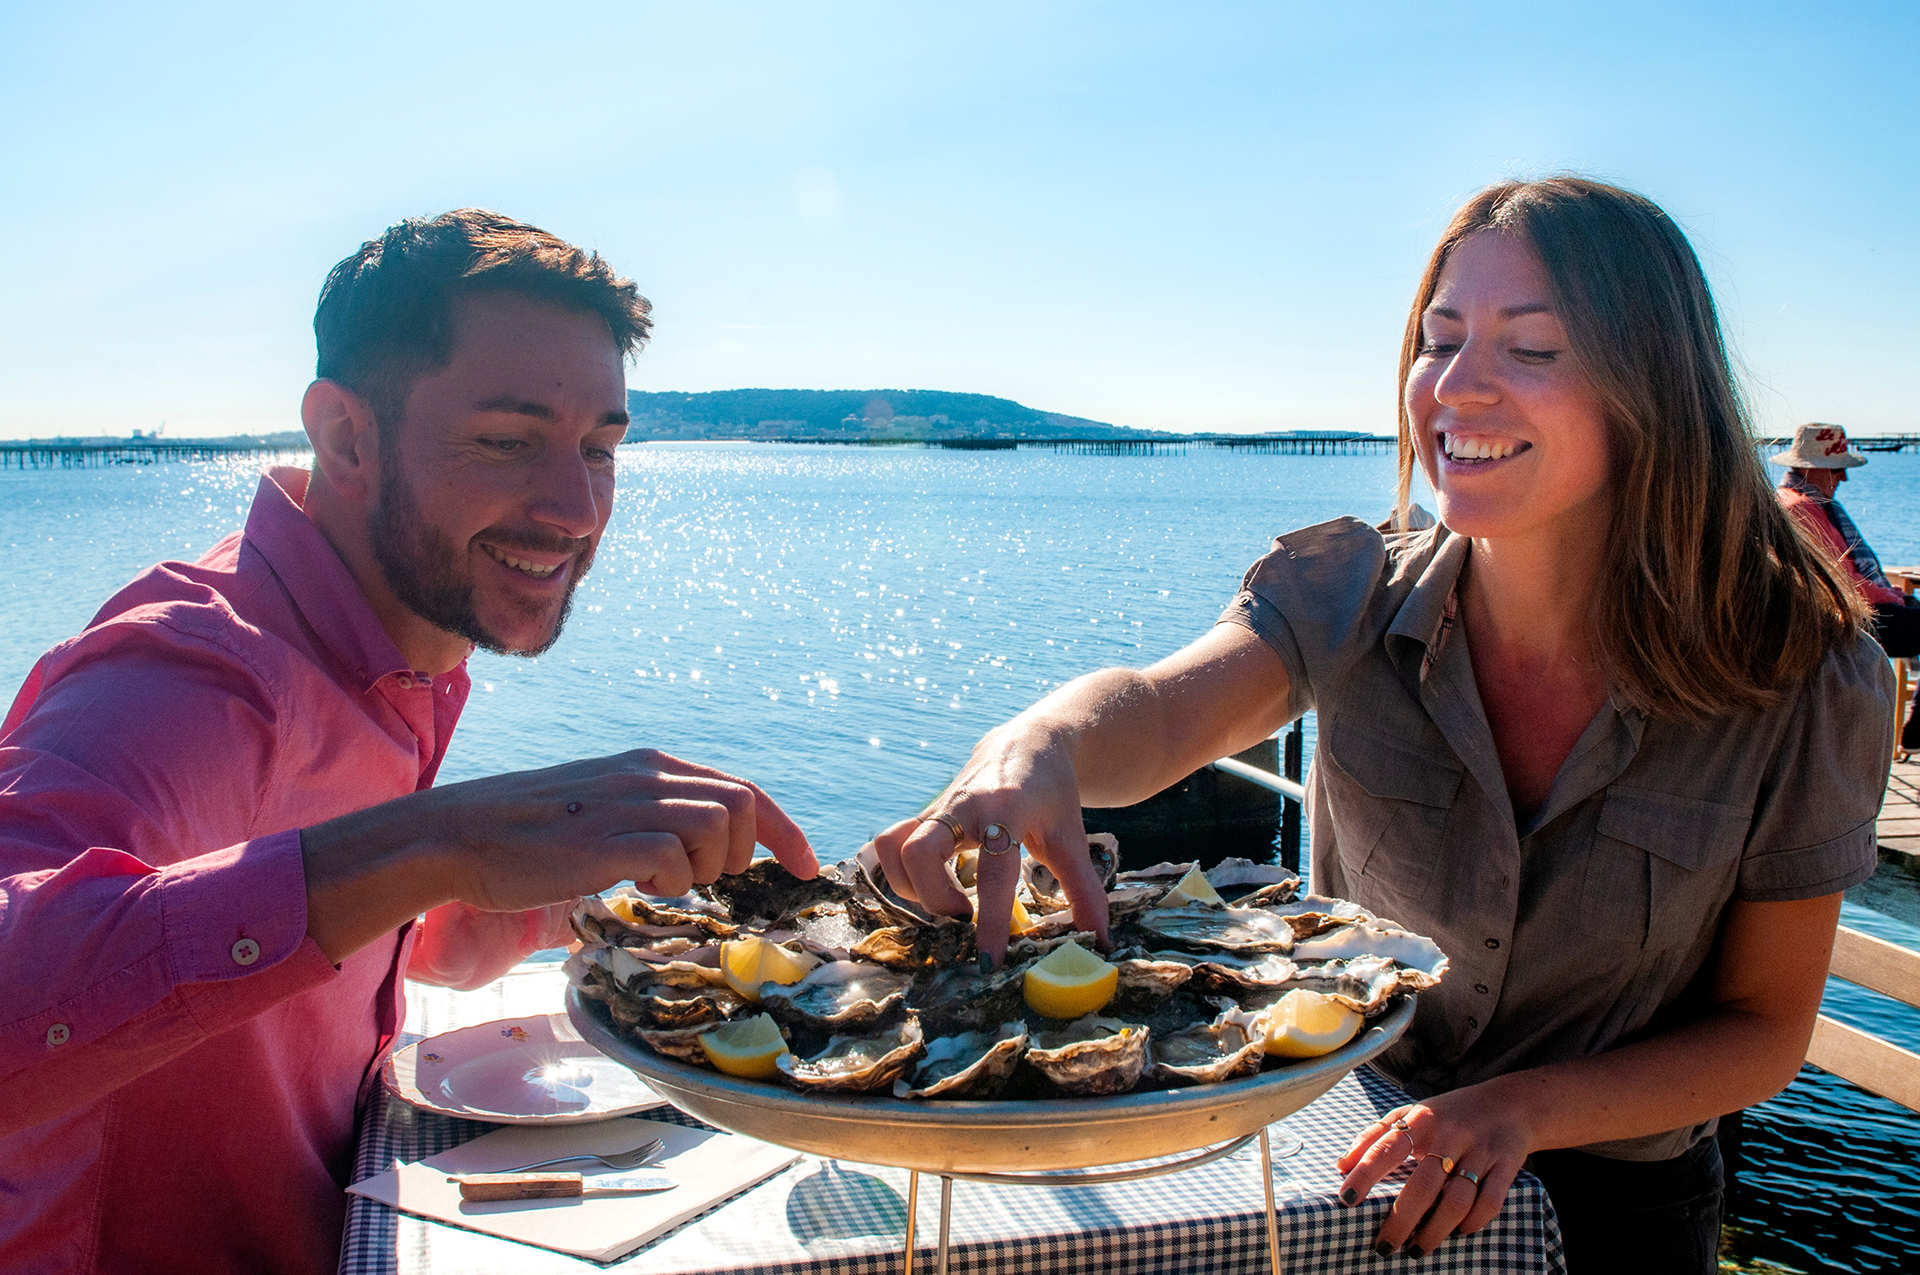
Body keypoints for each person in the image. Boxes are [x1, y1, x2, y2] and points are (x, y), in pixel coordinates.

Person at [870, 178, 1891, 1273]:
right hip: (1352, 1167)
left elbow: (1761, 1028)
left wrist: (1516, 1112)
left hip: (1618, 1216)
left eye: (1531, 348)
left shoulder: (1806, 677)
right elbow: (1159, 712)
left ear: (1654, 387)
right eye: (1438, 341)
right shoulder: (1348, 593)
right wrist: (1033, 747)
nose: (1456, 386)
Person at [0, 210, 816, 1275]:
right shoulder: (192, 676)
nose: (577, 510)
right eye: (507, 440)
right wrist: (438, 841)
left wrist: (450, 917)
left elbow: (235, 888)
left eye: (601, 449)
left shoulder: (389, 654)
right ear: (347, 438)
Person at [1772, 421, 1920, 747]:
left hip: (1845, 612)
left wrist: (1893, 597)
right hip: (1848, 620)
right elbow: (1840, 582)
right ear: (1811, 469)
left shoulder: (1798, 502)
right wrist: (1894, 597)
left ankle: (1917, 727)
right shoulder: (1801, 509)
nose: (1844, 478)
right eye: (1838, 469)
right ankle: (1918, 727)